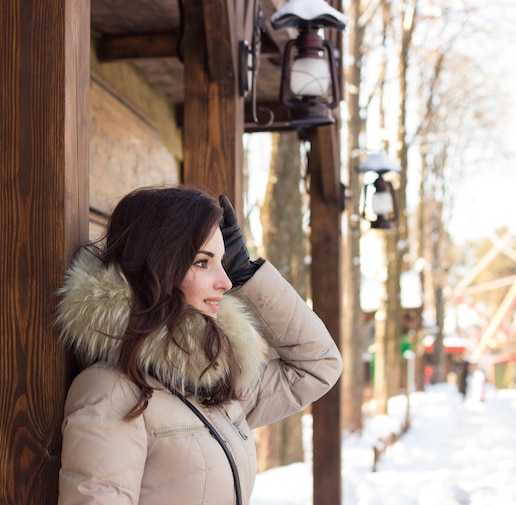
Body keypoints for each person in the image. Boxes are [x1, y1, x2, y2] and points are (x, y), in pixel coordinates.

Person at [55, 186, 343, 505]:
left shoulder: (214, 380)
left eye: (224, 262)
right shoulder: (112, 394)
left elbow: (318, 364)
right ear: (159, 268)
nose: (226, 282)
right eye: (203, 263)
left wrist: (248, 273)